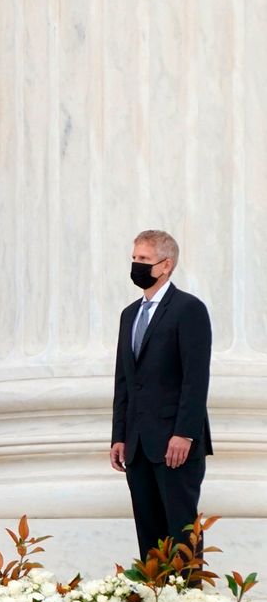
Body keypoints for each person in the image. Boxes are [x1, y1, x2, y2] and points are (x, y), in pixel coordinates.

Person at [110, 230, 212, 560]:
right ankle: (154, 592)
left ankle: (188, 595)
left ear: (166, 265)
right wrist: (119, 436)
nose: (136, 264)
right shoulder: (129, 314)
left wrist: (185, 433)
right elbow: (125, 380)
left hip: (174, 443)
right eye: (134, 258)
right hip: (137, 444)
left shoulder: (189, 309)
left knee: (181, 533)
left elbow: (195, 379)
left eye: (143, 259)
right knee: (149, 535)